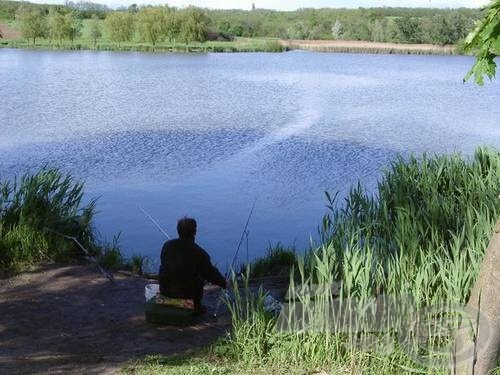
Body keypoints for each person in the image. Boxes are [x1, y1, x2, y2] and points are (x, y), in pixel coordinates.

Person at [158, 217, 226, 314]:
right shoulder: (200, 253)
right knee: (199, 276)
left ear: (178, 231)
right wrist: (224, 283)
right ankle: (197, 305)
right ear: (195, 232)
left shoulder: (167, 245)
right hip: (188, 296)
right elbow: (211, 274)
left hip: (166, 291)